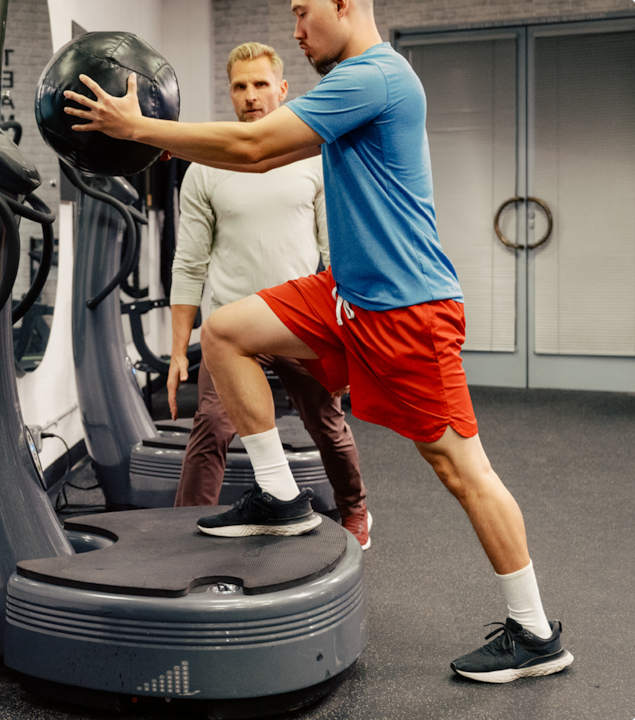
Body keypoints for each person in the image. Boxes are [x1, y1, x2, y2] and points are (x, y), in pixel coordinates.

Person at [64, 0, 573, 684]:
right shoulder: (352, 85)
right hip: (345, 295)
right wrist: (158, 141)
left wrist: (141, 127)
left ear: (344, 4)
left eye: (304, 12)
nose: (298, 31)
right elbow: (250, 161)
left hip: (406, 310)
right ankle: (278, 494)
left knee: (462, 470)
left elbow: (254, 146)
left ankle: (535, 631)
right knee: (226, 331)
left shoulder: (375, 77)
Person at [167, 41, 370, 548]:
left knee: (326, 423)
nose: (251, 96)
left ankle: (356, 510)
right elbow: (188, 263)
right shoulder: (205, 169)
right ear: (229, 93)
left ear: (282, 89)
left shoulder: (313, 159)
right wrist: (176, 351)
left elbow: (336, 255)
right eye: (240, 86)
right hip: (231, 326)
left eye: (261, 85)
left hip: (297, 319)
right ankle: (183, 531)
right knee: (211, 426)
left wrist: (346, 340)